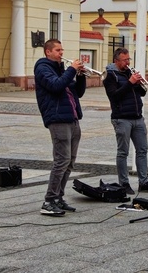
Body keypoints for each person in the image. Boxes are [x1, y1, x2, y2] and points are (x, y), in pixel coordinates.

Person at [34, 39, 86, 216]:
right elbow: (56, 86)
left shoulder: (60, 69)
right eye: (58, 50)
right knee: (61, 161)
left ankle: (58, 198)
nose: (61, 53)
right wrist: (72, 70)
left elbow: (77, 92)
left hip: (72, 118)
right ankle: (48, 201)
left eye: (62, 49)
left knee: (70, 161)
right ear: (48, 52)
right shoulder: (42, 68)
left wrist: (80, 75)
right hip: (57, 118)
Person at [103, 48, 148, 195]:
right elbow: (114, 96)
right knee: (123, 152)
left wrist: (139, 82)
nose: (128, 63)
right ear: (116, 61)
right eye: (125, 60)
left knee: (142, 150)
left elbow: (142, 93)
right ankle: (124, 183)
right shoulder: (109, 76)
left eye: (129, 59)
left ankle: (143, 182)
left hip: (137, 117)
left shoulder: (129, 73)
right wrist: (129, 82)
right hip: (121, 118)